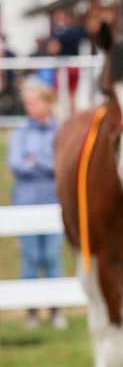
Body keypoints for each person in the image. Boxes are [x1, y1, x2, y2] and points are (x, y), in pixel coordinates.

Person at [7, 78, 66, 329]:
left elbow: (61, 165)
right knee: (30, 258)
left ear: (47, 103)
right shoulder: (20, 132)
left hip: (54, 202)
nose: (30, 107)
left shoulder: (60, 131)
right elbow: (17, 164)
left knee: (52, 257)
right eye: (28, 103)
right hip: (26, 204)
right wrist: (46, 163)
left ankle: (55, 312)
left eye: (35, 102)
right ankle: (31, 313)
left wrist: (36, 161)